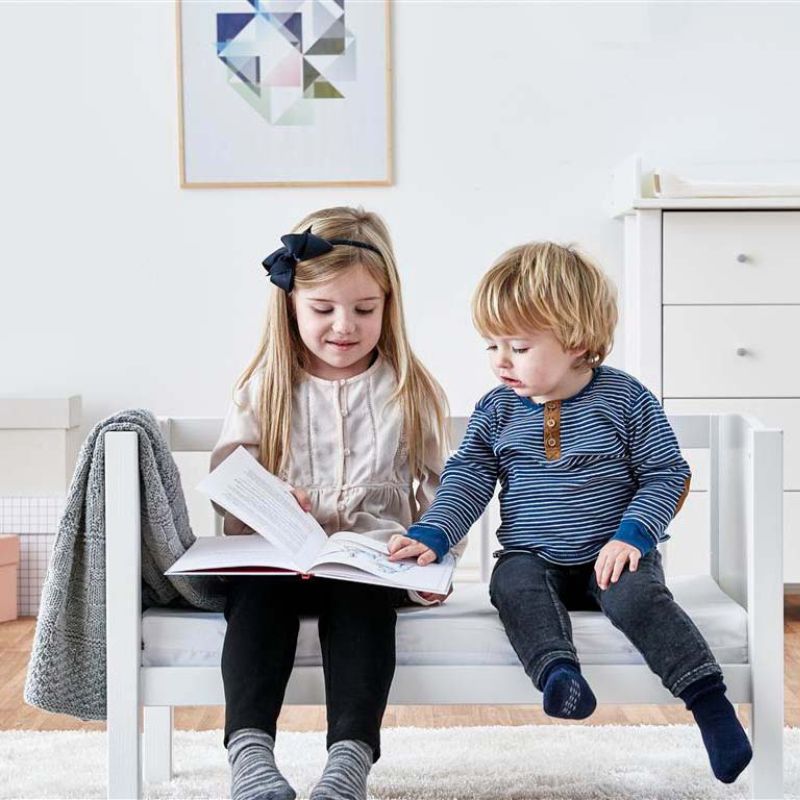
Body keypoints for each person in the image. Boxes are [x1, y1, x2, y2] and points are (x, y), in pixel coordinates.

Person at [389, 241, 753, 785]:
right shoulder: (498, 409)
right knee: (510, 584)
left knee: (642, 598)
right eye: (491, 346)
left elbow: (668, 474)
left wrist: (633, 536)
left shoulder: (625, 400)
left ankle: (709, 703)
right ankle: (559, 674)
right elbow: (468, 476)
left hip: (613, 556)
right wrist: (435, 532)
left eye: (517, 346)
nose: (500, 361)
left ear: (578, 342)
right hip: (534, 556)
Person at [211, 207, 464, 800]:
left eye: (364, 310)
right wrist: (273, 500)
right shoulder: (265, 387)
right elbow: (229, 480)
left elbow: (448, 490)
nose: (343, 326)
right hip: (280, 558)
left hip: (370, 561)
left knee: (361, 606)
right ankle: (250, 758)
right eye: (323, 310)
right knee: (255, 600)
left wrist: (435, 554)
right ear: (292, 306)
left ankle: (348, 765)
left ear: (389, 307)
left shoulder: (410, 391)